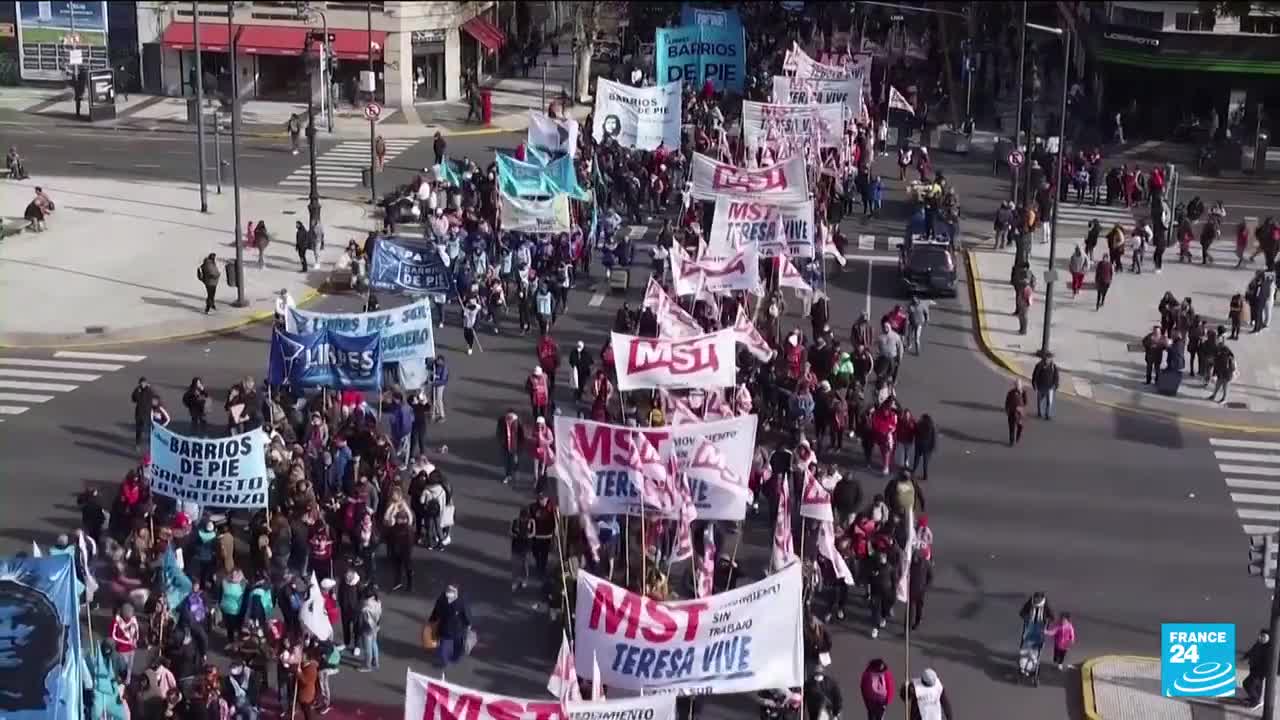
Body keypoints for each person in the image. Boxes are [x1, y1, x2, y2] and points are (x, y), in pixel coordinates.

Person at [429, 585, 472, 674]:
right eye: (448, 592)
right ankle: (444, 661)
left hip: (458, 629)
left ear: (456, 593)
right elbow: (436, 611)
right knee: (443, 647)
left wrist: (468, 624)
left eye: (452, 592)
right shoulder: (442, 600)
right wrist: (432, 620)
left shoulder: (460, 602)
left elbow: (465, 614)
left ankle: (454, 658)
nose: (449, 594)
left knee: (458, 647)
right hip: (445, 629)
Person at [109, 602, 140, 685]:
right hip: (126, 649)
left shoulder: (117, 622)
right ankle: (126, 680)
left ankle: (123, 679)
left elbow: (112, 635)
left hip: (123, 649)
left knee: (124, 667)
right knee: (127, 667)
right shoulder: (132, 621)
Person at [1242, 629, 1270, 709]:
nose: (1261, 638)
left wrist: (1265, 672)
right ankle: (1255, 699)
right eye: (1260, 635)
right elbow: (1251, 651)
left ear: (1269, 638)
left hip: (1259, 671)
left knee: (1247, 684)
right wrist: (1245, 657)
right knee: (1257, 686)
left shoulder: (1268, 649)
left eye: (1264, 636)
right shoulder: (1258, 644)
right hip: (1253, 668)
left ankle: (1255, 701)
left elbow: (1268, 662)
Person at [358, 587, 383, 672]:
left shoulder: (365, 606)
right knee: (374, 643)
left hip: (367, 628)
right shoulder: (378, 602)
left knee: (367, 648)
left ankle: (367, 666)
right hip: (376, 626)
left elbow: (363, 619)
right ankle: (376, 662)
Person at [1031, 352, 1060, 420]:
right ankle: (1040, 413)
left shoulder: (1053, 366)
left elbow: (1056, 376)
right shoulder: (1039, 365)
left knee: (1049, 402)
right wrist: (1034, 384)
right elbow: (1035, 375)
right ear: (1045, 358)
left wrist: (1056, 385)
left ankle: (1047, 414)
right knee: (1040, 400)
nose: (1048, 360)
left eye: (1050, 358)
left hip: (1050, 387)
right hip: (1041, 386)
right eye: (1047, 358)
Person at [130, 377, 156, 451]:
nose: (142, 384)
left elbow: (154, 401)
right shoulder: (138, 390)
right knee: (139, 430)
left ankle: (151, 445)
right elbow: (134, 399)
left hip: (147, 413)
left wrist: (155, 410)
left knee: (149, 430)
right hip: (139, 413)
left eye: (144, 383)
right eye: (141, 383)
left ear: (146, 383)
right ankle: (138, 444)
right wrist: (137, 391)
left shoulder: (150, 391)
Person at [1004, 379, 1027, 446]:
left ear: (1021, 385)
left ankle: (1018, 436)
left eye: (1019, 384)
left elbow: (1026, 402)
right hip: (1012, 412)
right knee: (1011, 428)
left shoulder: (1023, 392)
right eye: (1017, 384)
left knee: (1020, 426)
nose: (1018, 386)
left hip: (1020, 413)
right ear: (1015, 385)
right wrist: (1007, 410)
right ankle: (1011, 441)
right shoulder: (1010, 392)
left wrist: (1021, 407)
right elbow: (1007, 402)